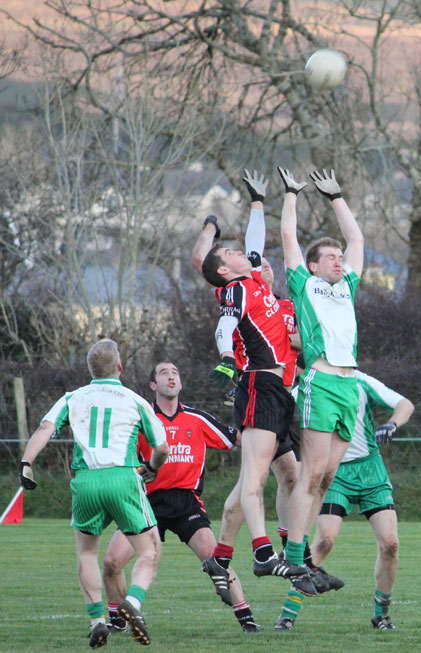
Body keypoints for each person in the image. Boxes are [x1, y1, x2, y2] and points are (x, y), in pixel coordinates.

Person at [197, 169, 316, 596]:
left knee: (273, 475)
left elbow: (255, 243)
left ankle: (222, 558)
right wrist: (227, 359)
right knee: (257, 479)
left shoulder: (261, 288)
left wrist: (258, 201)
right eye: (231, 253)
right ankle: (266, 554)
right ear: (226, 270)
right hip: (258, 388)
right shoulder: (236, 290)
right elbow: (224, 327)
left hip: (280, 394)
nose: (246, 254)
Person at [18, 339, 169, 649]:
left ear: (90, 369)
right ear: (120, 367)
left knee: (87, 554)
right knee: (149, 551)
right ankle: (134, 603)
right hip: (122, 478)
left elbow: (45, 428)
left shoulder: (73, 397)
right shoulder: (134, 399)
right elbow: (162, 448)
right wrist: (152, 467)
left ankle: (97, 621)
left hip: (85, 481)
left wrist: (26, 462)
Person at [102, 361, 261, 633]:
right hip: (146, 502)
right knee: (111, 562)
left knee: (217, 561)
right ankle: (117, 619)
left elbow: (242, 440)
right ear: (153, 386)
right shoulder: (140, 420)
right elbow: (119, 459)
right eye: (163, 373)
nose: (171, 376)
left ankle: (247, 620)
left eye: (175, 372)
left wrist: (265, 437)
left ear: (181, 383)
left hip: (186, 503)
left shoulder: (197, 419)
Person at [277, 166, 364, 589]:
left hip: (351, 386)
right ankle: (293, 559)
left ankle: (305, 558)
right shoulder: (304, 284)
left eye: (339, 257)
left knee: (327, 479)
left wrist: (337, 196)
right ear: (313, 266)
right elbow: (289, 240)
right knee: (311, 474)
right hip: (321, 381)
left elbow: (358, 240)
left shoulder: (347, 285)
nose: (339, 260)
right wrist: (292, 192)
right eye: (330, 257)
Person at [275, 371, 414, 630]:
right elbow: (281, 427)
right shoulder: (305, 389)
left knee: (391, 544)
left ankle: (381, 614)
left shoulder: (359, 381)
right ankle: (288, 614)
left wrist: (391, 424)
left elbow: (405, 404)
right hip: (334, 473)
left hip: (371, 472)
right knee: (324, 541)